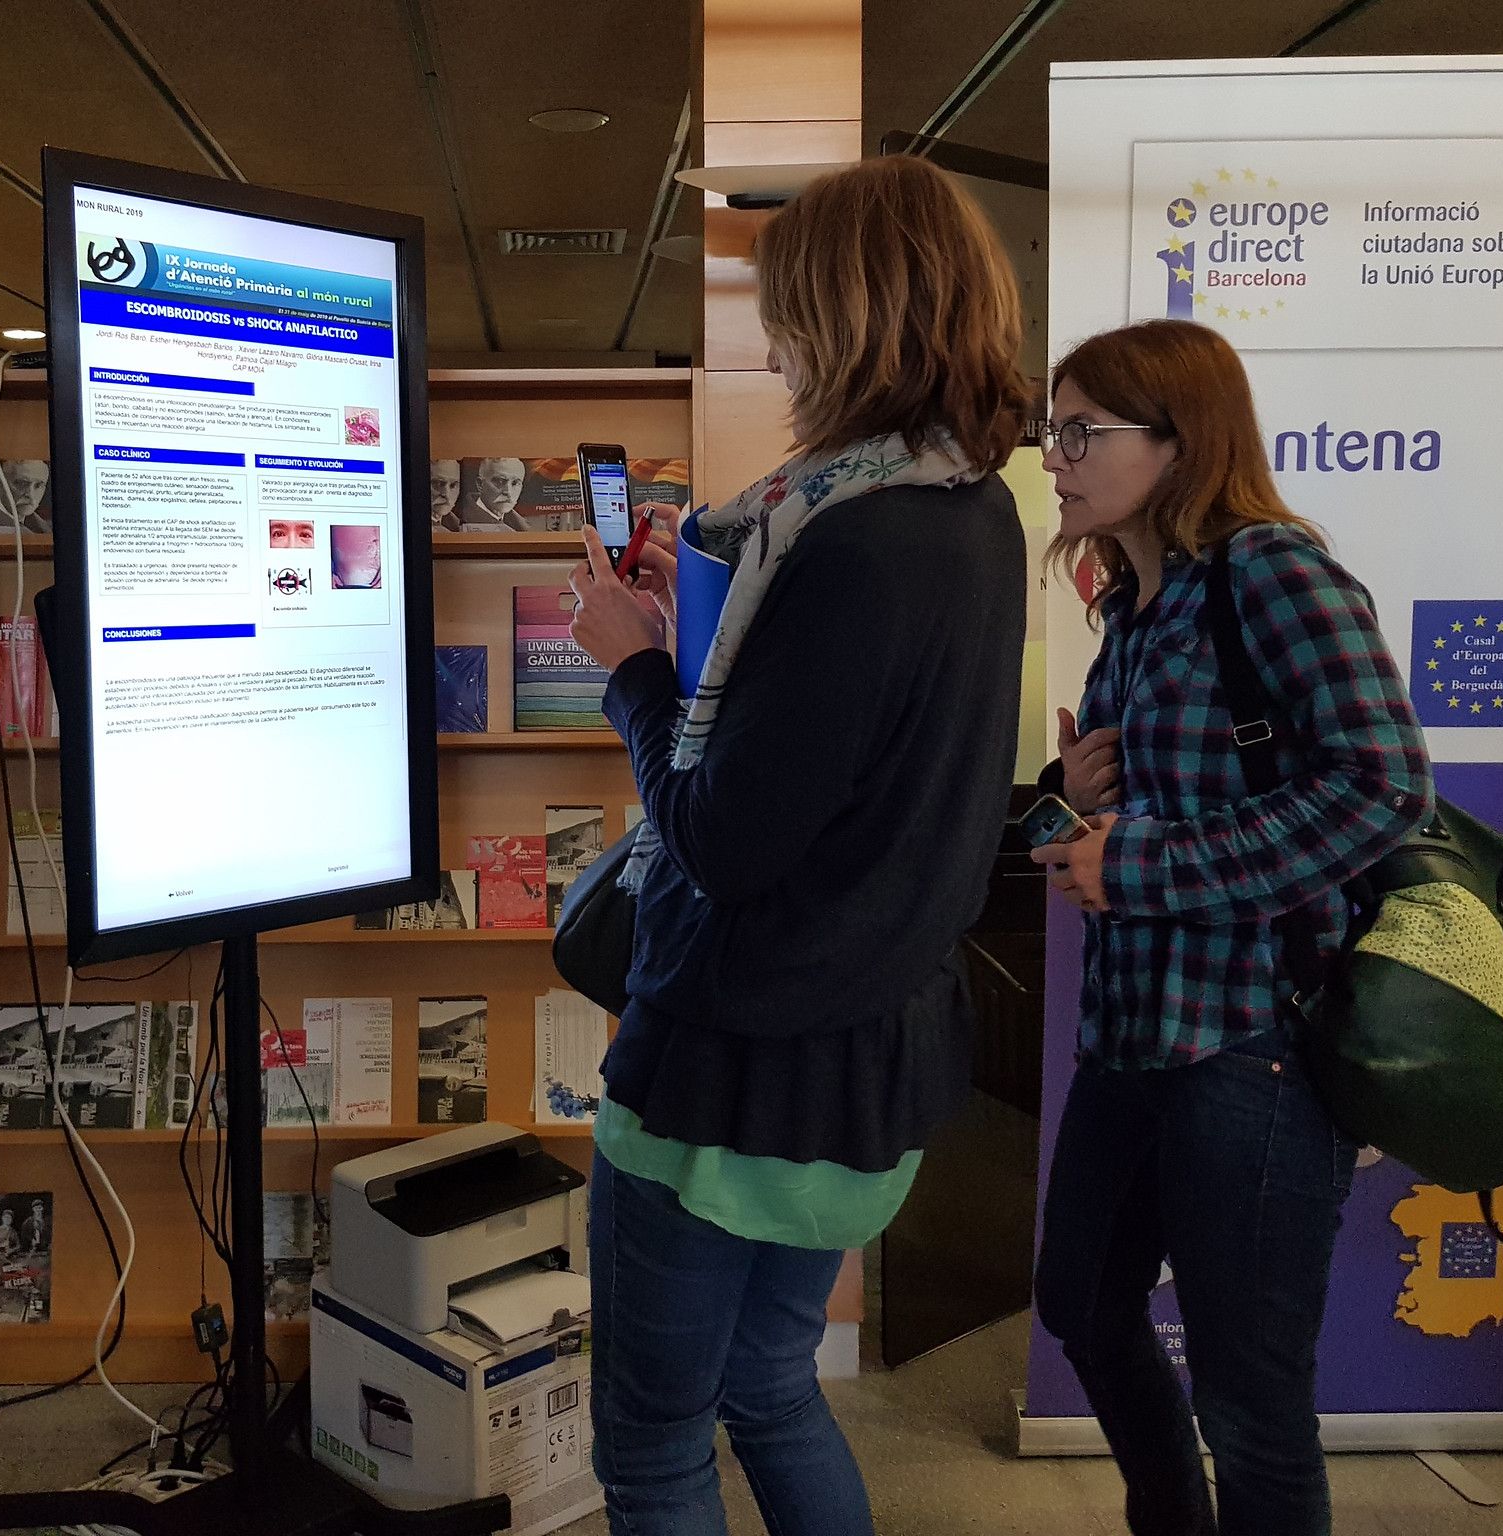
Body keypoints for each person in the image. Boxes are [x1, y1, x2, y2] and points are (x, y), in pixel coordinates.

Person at [564, 154, 1031, 1536]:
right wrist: (700, 623)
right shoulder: (967, 508)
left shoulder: (853, 545)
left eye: (786, 314)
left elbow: (722, 837)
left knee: (653, 1445)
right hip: (867, 1055)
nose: (775, 348)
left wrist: (630, 670)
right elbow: (837, 748)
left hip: (736, 1073)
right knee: (770, 1388)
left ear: (842, 317)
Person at [1027, 318, 1431, 1536]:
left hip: (1252, 1044)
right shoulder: (1129, 606)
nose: (1053, 458)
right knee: (1080, 1305)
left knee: (1250, 1402)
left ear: (1178, 439)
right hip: (1131, 1036)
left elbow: (1381, 785)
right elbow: (1118, 809)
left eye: (1080, 431)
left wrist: (1138, 861)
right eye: (1052, 430)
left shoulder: (1272, 573)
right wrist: (1066, 799)